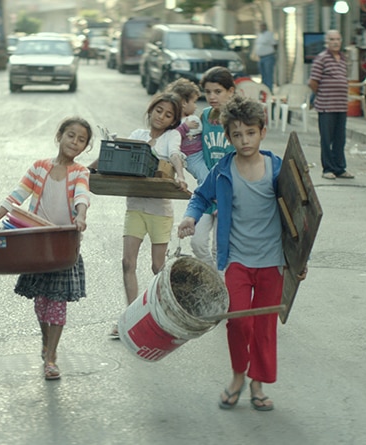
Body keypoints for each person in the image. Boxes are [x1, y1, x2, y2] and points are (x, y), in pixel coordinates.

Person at [177, 95, 307, 412]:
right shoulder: (223, 169)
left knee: (263, 326)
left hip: (273, 262)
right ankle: (238, 376)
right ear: (228, 137)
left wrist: (301, 261)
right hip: (235, 259)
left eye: (250, 132)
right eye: (236, 134)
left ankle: (257, 384)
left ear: (262, 131)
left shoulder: (278, 169)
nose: (244, 140)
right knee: (237, 323)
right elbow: (200, 196)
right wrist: (190, 217)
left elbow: (301, 219)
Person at [0, 117, 93, 380]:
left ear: (85, 147)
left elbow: (82, 195)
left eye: (81, 140)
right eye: (71, 135)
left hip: (63, 246)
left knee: (57, 303)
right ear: (59, 136)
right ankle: (47, 345)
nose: (74, 142)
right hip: (34, 245)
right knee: (42, 303)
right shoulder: (39, 167)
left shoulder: (80, 172)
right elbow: (16, 196)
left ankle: (51, 358)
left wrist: (81, 216)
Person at [114, 92, 188, 336]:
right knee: (128, 263)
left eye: (168, 115)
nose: (161, 117)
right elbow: (119, 156)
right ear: (151, 110)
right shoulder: (138, 135)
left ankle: (168, 314)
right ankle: (131, 317)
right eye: (159, 111)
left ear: (173, 121)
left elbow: (176, 155)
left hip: (160, 211)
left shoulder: (171, 137)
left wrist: (180, 175)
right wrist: (88, 171)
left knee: (158, 267)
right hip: (135, 207)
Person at [190, 66, 238, 271]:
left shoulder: (237, 120)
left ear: (231, 91)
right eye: (208, 92)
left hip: (229, 193)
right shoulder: (205, 116)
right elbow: (196, 152)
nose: (212, 96)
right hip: (207, 190)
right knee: (197, 242)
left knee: (220, 248)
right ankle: (213, 279)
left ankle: (222, 292)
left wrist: (228, 193)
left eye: (218, 92)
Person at [308, 29, 355, 180]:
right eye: (332, 39)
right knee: (327, 139)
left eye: (337, 39)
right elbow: (313, 82)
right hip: (326, 106)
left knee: (340, 139)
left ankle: (340, 168)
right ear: (326, 42)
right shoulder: (321, 58)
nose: (335, 42)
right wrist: (322, 95)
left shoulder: (343, 58)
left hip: (341, 106)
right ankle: (328, 169)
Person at [165, 78, 209, 184]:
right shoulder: (174, 121)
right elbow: (171, 136)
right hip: (191, 157)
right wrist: (185, 127)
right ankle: (205, 197)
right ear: (184, 103)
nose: (196, 106)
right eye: (194, 102)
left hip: (203, 153)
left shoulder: (192, 118)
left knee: (210, 175)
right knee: (204, 177)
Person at [252, 21, 277, 91]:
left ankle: (269, 90)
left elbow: (274, 45)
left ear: (265, 27)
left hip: (268, 57)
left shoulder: (269, 34)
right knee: (263, 75)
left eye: (263, 26)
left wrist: (273, 53)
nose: (261, 27)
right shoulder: (259, 35)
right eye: (260, 26)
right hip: (260, 58)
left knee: (268, 75)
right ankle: (264, 90)